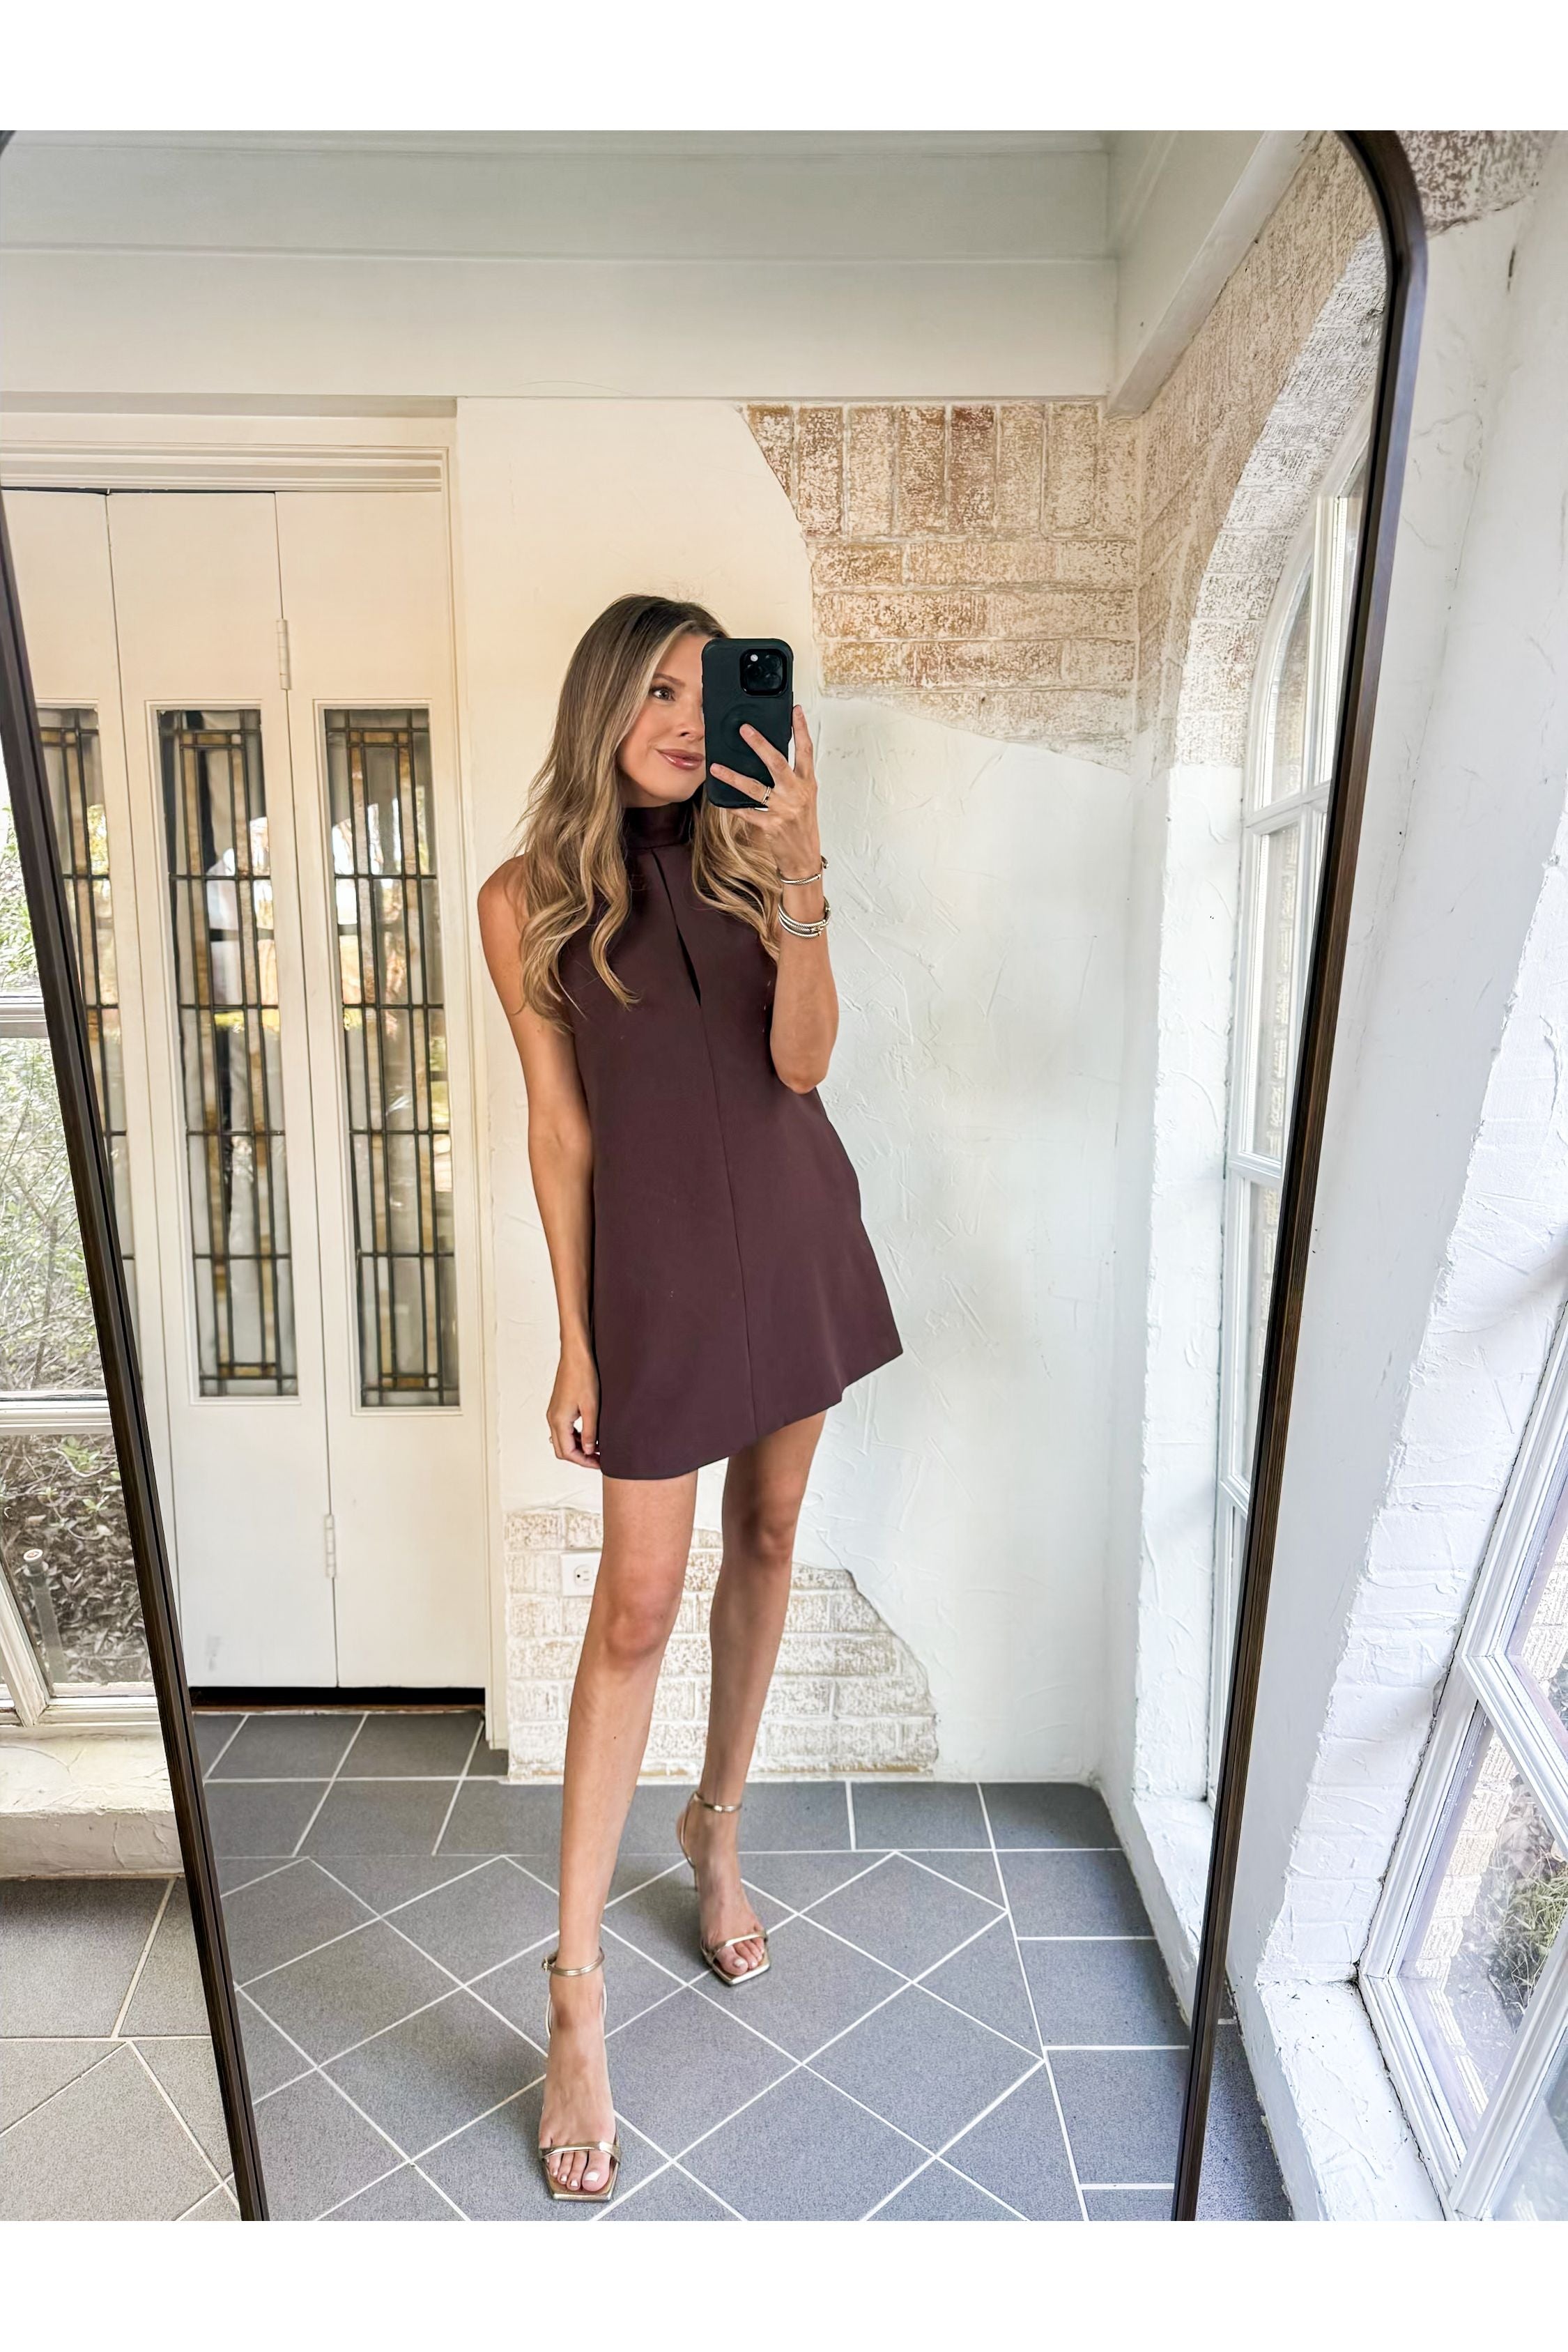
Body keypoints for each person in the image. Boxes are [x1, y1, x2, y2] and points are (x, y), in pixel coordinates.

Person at [477, 594, 902, 2201]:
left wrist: (802, 870)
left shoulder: (748, 857)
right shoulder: (524, 896)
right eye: (654, 688)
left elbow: (803, 1066)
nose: (680, 716)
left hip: (793, 1239)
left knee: (772, 1534)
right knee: (637, 1605)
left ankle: (714, 1826)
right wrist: (578, 1340)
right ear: (602, 702)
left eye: (703, 689)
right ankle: (575, 1986)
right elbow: (561, 1132)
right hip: (651, 1279)